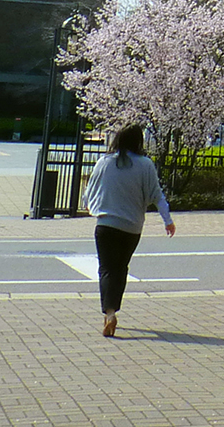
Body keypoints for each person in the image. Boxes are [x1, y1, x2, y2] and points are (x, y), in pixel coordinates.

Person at [82, 124, 175, 337]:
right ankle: (113, 309)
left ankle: (109, 312)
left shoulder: (104, 162)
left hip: (105, 224)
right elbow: (157, 195)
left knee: (106, 268)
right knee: (121, 268)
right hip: (131, 227)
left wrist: (88, 204)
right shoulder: (145, 165)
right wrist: (167, 221)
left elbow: (90, 190)